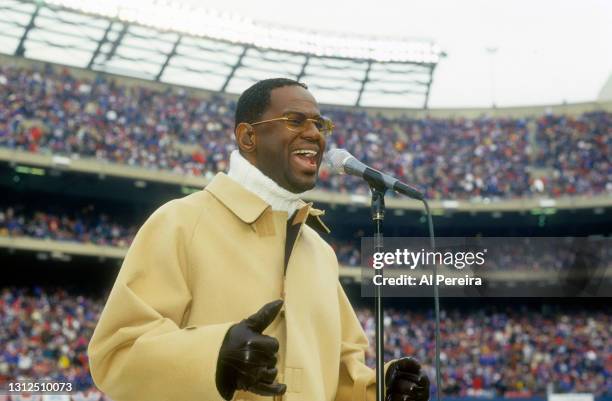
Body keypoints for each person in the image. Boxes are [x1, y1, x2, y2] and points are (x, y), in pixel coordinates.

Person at [88, 78, 430, 401]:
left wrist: (379, 389)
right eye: (295, 120)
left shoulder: (319, 252)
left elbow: (337, 376)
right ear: (248, 137)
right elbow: (117, 355)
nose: (314, 133)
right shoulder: (180, 222)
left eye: (320, 124)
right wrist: (215, 357)